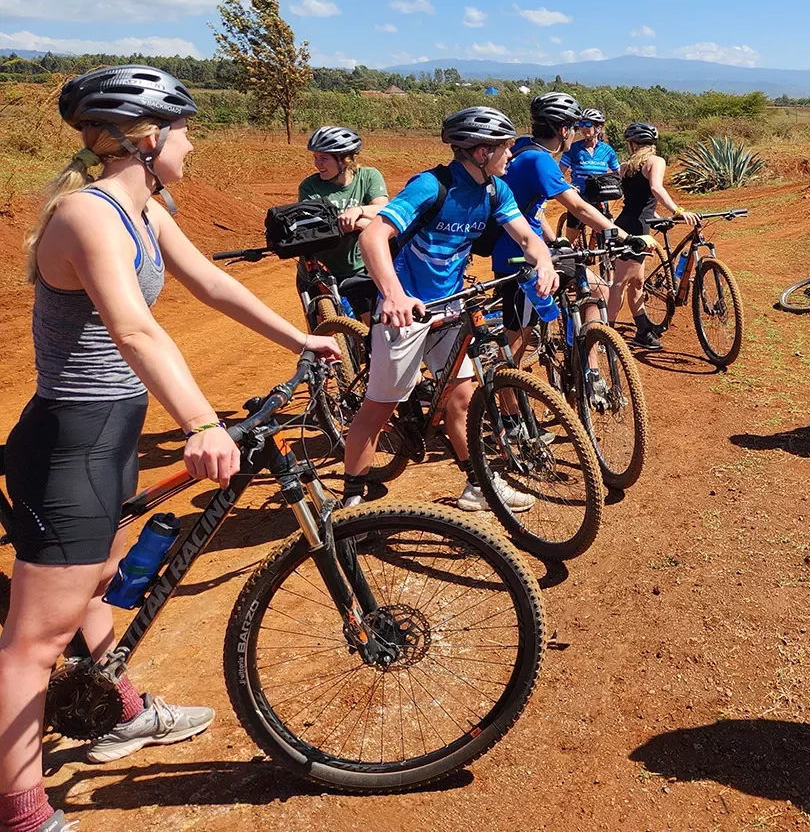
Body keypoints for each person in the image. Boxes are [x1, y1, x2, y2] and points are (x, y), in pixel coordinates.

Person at [0, 65, 342, 832]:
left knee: (101, 580)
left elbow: (211, 288)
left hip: (111, 433)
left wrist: (301, 337)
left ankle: (115, 710)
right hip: (71, 442)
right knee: (32, 641)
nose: (192, 144)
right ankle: (22, 816)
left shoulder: (143, 209)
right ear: (147, 139)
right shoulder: (88, 216)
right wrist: (198, 421)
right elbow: (135, 328)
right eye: (184, 131)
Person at [341, 106, 558, 513]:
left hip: (451, 308)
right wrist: (393, 295)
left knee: (461, 401)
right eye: (504, 147)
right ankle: (352, 501)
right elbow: (374, 236)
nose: (511, 154)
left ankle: (478, 486)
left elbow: (528, 238)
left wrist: (543, 262)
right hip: (407, 310)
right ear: (479, 153)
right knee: (378, 409)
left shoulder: (496, 190)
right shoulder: (431, 185)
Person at [490, 94, 650, 346]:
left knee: (590, 287)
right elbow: (579, 208)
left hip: (515, 247)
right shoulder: (540, 160)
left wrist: (555, 240)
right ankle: (585, 375)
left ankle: (585, 368)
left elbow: (529, 207)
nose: (577, 132)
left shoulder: (522, 147)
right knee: (516, 342)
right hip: (521, 258)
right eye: (575, 127)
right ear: (564, 130)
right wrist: (626, 237)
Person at [609, 122, 700, 350]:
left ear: (632, 145)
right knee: (620, 283)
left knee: (636, 282)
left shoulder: (625, 167)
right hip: (638, 228)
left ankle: (642, 330)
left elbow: (638, 201)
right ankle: (606, 335)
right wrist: (678, 211)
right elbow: (656, 189)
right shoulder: (655, 162)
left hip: (628, 223)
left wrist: (656, 215)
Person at [298, 125, 387, 320]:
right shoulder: (309, 187)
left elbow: (383, 210)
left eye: (324, 158)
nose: (317, 164)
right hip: (319, 271)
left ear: (345, 160)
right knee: (326, 332)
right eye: (315, 157)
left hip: (359, 269)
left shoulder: (369, 176)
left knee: (371, 330)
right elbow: (316, 226)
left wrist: (358, 211)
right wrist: (362, 223)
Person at [557, 107, 621, 242]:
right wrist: (567, 187)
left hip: (601, 197)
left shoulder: (607, 150)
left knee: (609, 234)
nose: (583, 128)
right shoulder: (573, 148)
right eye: (581, 124)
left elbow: (618, 173)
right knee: (570, 242)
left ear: (598, 128)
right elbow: (559, 173)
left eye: (588, 124)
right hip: (578, 199)